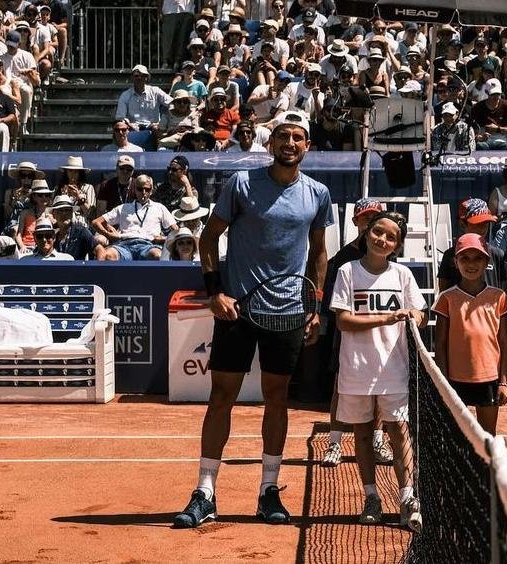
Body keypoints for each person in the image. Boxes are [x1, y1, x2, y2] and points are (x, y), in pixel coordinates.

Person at [174, 110, 332, 529]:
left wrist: (313, 307)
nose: (290, 143)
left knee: (277, 398)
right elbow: (208, 238)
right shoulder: (241, 184)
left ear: (307, 147)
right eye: (283, 136)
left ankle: (268, 490)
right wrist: (214, 292)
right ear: (270, 143)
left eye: (298, 137)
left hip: (288, 312)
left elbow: (319, 252)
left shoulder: (317, 193)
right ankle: (205, 491)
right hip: (238, 309)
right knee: (221, 396)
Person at [329, 211, 426, 528]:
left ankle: (407, 497)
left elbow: (419, 313)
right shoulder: (347, 271)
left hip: (393, 370)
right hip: (356, 370)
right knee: (363, 434)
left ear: (396, 245)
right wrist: (387, 318)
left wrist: (413, 315)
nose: (382, 240)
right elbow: (343, 321)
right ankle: (371, 497)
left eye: (391, 237)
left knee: (399, 433)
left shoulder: (402, 275)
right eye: (378, 232)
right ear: (366, 233)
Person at [320, 199, 394, 468]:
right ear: (355, 222)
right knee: (342, 389)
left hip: (380, 338)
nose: (369, 224)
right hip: (349, 337)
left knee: (377, 390)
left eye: (375, 218)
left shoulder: (388, 256)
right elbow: (334, 305)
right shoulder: (340, 260)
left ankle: (377, 441)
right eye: (365, 219)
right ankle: (335, 443)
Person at [433, 233, 507, 435]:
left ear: (487, 261)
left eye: (477, 258)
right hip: (455, 379)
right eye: (464, 258)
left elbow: (504, 340)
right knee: (457, 437)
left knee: (487, 437)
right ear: (455, 262)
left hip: (490, 378)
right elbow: (440, 343)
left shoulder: (499, 297)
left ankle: (486, 468)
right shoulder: (446, 298)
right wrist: (444, 382)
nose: (471, 264)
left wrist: (503, 381)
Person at [92, 175, 177, 261]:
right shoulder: (123, 208)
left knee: (157, 255)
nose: (144, 192)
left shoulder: (159, 207)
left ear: (151, 191)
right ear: (135, 190)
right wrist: (108, 235)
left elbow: (176, 230)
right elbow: (96, 222)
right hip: (124, 245)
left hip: (148, 245)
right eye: (140, 189)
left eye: (147, 189)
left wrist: (164, 238)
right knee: (108, 255)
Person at [438, 198, 506, 292]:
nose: (482, 229)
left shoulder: (497, 254)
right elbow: (443, 292)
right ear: (462, 225)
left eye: (485, 224)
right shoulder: (449, 255)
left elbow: (505, 292)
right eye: (478, 224)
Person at [157, 0, 198, 70]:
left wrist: (195, 12)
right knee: (168, 38)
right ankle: (166, 61)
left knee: (183, 38)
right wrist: (159, 11)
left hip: (186, 12)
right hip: (169, 12)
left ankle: (178, 61)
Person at [50, 195, 98, 260]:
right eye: (60, 210)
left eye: (67, 210)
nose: (64, 213)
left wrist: (95, 268)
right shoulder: (49, 236)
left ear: (72, 213)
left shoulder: (81, 232)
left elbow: (99, 249)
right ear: (53, 214)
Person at [54, 155, 96, 225]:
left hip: (82, 226)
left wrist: (79, 198)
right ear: (66, 172)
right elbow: (53, 212)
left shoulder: (88, 188)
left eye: (76, 172)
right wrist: (63, 197)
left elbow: (91, 214)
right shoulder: (58, 188)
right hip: (63, 226)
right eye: (70, 171)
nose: (73, 174)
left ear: (80, 173)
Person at [15, 179, 54, 253]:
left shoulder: (53, 213)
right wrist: (22, 246)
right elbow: (18, 235)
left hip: (45, 248)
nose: (44, 198)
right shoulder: (25, 213)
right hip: (27, 247)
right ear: (34, 197)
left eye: (47, 195)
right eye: (40, 195)